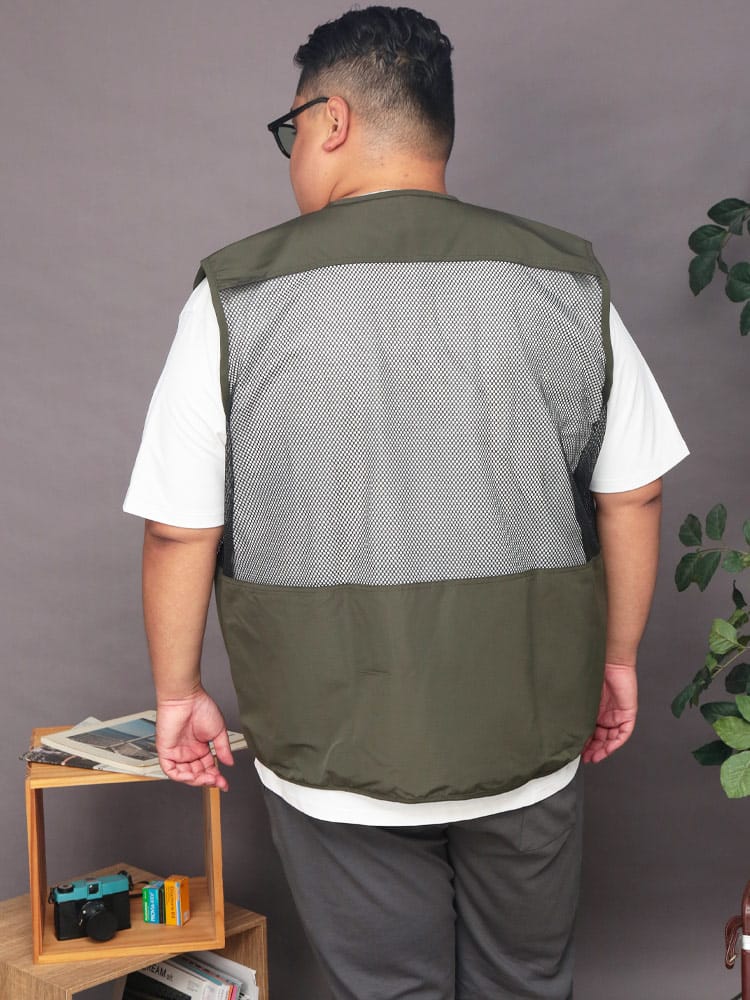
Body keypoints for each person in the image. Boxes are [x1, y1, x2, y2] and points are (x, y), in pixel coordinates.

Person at [123, 7, 689, 998]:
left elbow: (180, 527)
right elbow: (634, 492)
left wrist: (179, 692)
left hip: (333, 743)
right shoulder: (563, 279)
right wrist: (616, 660)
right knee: (527, 978)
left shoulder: (236, 296)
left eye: (292, 128)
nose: (292, 153)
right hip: (527, 724)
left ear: (331, 119)